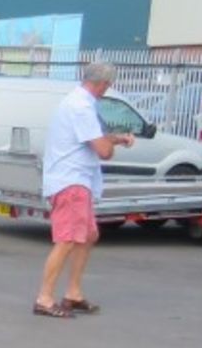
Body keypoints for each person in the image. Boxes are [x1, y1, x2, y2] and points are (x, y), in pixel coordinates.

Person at [34, 61, 135, 317]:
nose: (107, 89)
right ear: (101, 83)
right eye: (107, 85)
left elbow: (93, 138)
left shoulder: (80, 103)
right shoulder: (81, 107)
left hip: (77, 181)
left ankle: (73, 293)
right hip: (71, 181)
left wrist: (117, 138)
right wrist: (112, 146)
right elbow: (102, 150)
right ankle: (44, 298)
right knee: (67, 239)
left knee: (88, 235)